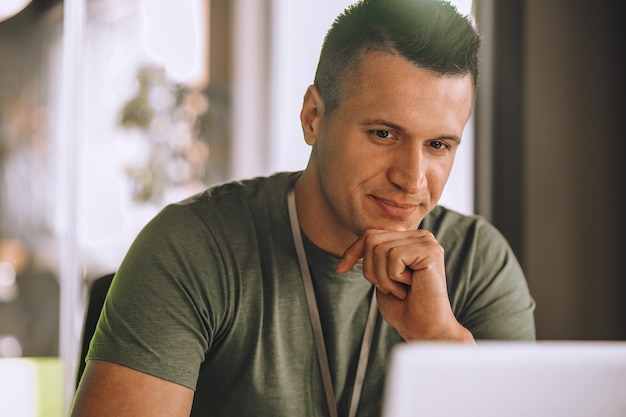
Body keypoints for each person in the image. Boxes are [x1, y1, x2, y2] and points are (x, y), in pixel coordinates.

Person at [70, 0, 535, 416]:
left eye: (438, 144)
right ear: (313, 117)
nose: (412, 179)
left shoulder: (477, 261)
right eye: (383, 134)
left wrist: (441, 342)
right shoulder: (191, 247)